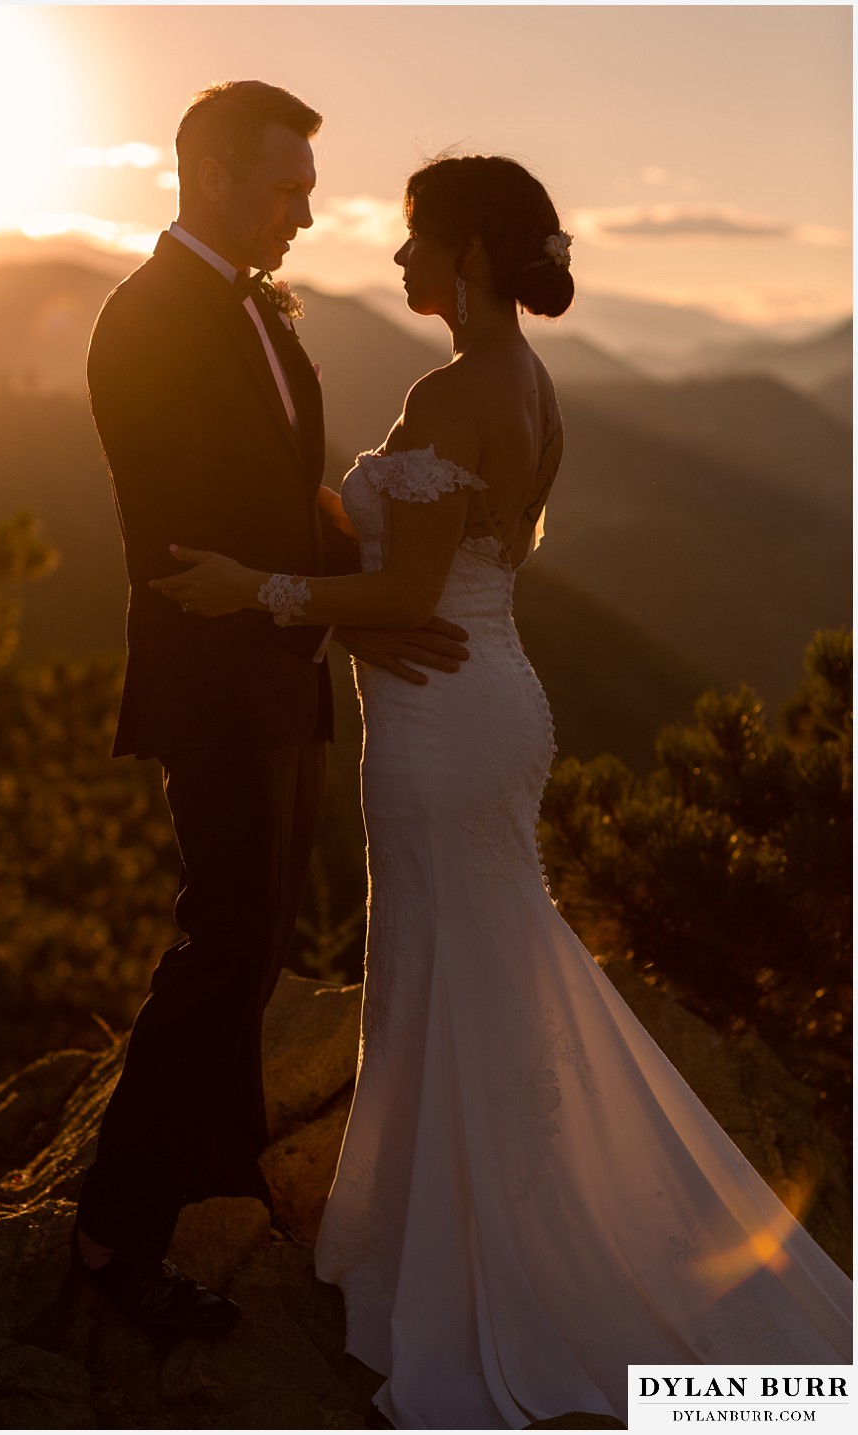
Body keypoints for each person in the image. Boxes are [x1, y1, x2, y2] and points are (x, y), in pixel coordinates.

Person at [150, 154, 852, 1420]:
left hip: (437, 725)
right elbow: (457, 570)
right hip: (494, 700)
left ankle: (496, 1263)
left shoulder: (449, 387)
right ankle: (501, 1225)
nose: (401, 258)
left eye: (416, 238)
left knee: (446, 969)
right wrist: (326, 553)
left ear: (468, 251)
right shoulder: (530, 385)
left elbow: (412, 595)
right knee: (481, 964)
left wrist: (253, 590)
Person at [73, 81, 469, 1334]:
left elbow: (290, 489)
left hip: (281, 666)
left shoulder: (253, 310)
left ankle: (217, 1167)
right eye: (286, 184)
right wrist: (308, 599)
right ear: (210, 177)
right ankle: (111, 1238)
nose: (308, 207)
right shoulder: (146, 319)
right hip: (215, 671)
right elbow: (187, 532)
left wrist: (380, 598)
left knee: (262, 927)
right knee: (226, 937)